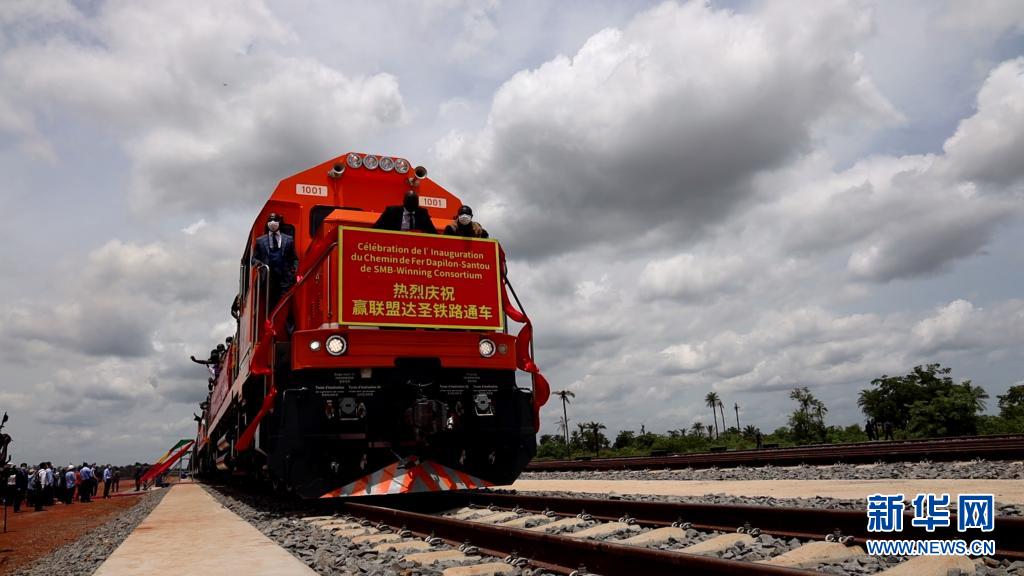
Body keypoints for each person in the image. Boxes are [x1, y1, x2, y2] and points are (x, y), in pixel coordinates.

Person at [251, 213, 298, 308]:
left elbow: (294, 259)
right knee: (271, 304)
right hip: (268, 278)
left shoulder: (289, 239)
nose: (272, 223)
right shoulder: (260, 241)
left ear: (279, 222)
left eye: (275, 220)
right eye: (270, 220)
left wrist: (293, 271)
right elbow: (253, 259)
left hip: (285, 278)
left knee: (284, 303)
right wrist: (259, 264)